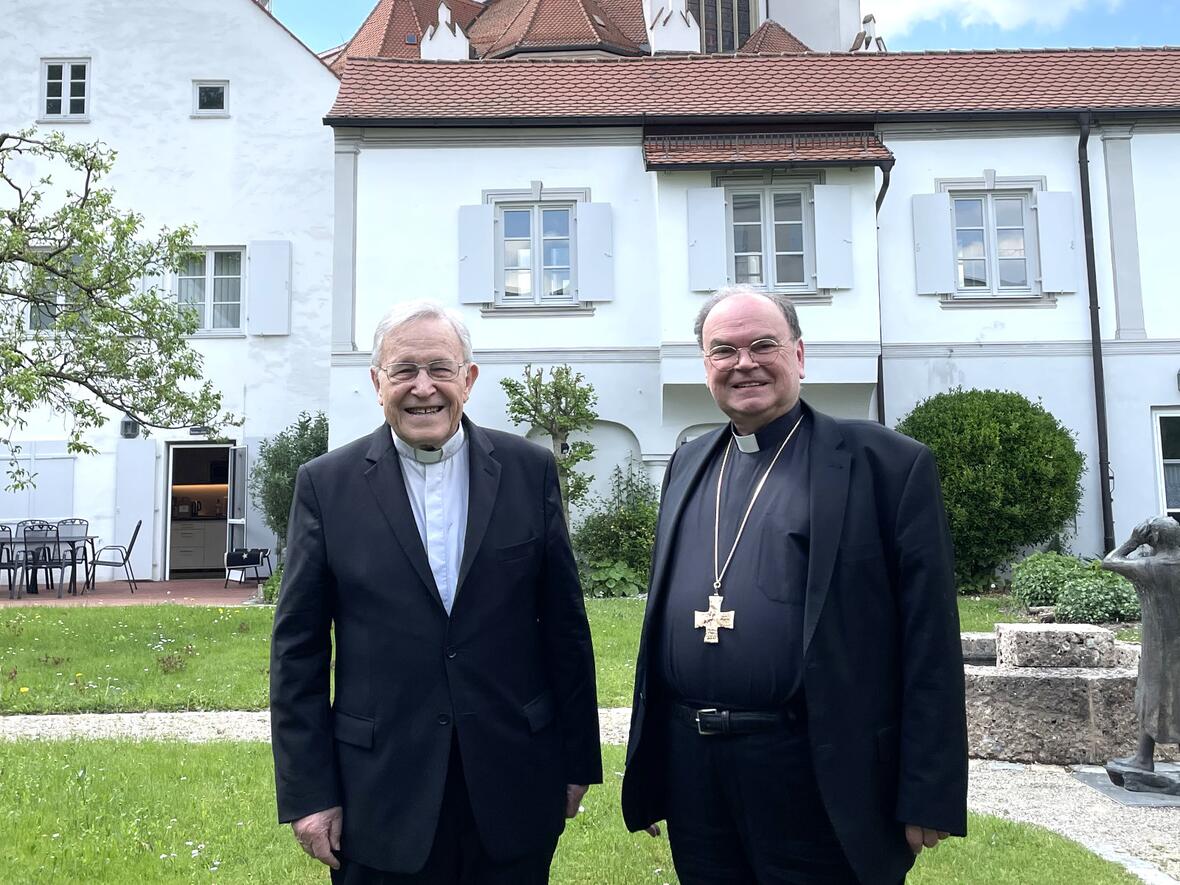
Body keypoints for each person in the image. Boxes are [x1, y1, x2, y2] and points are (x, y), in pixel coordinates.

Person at [621, 286, 968, 885]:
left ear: (799, 355)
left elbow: (930, 638)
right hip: (696, 773)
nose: (744, 363)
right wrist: (653, 768)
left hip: (816, 767)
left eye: (763, 345)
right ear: (705, 367)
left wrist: (928, 792)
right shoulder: (688, 461)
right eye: (723, 351)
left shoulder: (886, 465)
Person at [270, 300, 602, 884]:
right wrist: (308, 793)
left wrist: (577, 761)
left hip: (513, 780)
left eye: (441, 369)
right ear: (377, 383)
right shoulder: (326, 485)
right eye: (404, 370)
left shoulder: (530, 470)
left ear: (468, 379)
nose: (424, 388)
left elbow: (566, 629)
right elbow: (298, 651)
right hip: (378, 793)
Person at [1102, 517, 1180, 772]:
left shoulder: (1149, 567)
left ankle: (1144, 759)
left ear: (1153, 538)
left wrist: (1133, 541)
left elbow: (1110, 561)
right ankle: (1143, 758)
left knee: (1150, 697)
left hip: (1159, 647)